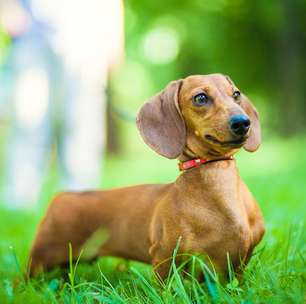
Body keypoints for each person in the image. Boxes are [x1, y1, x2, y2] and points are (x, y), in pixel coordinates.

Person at [0, 0, 124, 209]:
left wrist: (114, 38)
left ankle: (80, 199)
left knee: (83, 123)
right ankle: (19, 199)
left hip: (87, 39)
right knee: (28, 119)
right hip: (32, 36)